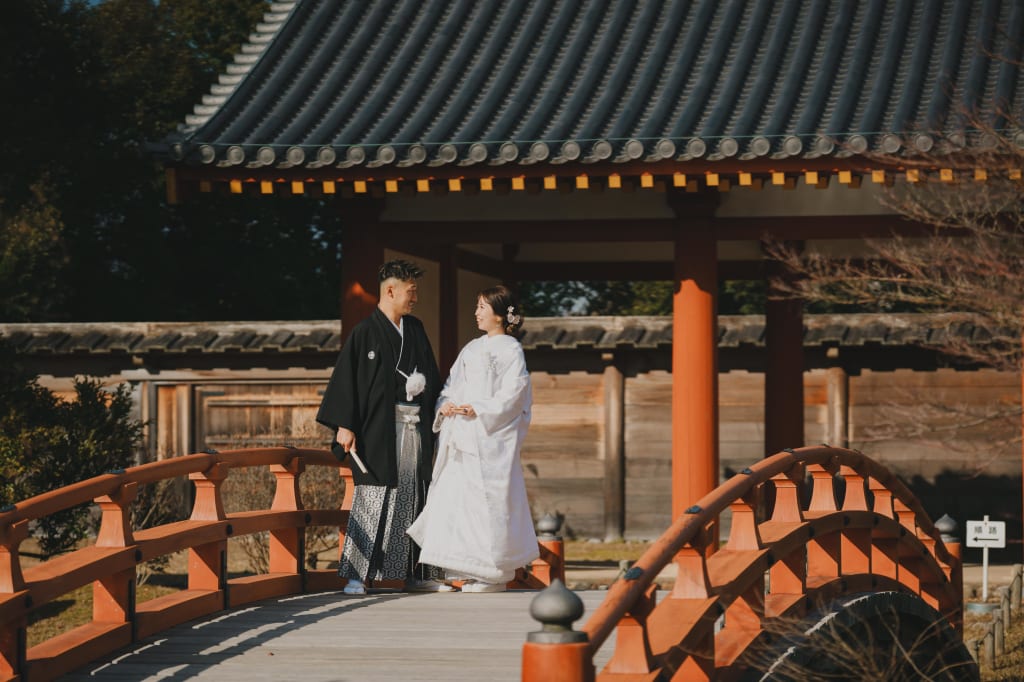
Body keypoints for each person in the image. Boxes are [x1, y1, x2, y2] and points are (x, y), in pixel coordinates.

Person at [317, 259, 451, 594]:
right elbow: (347, 382)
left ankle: (417, 574)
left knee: (415, 497)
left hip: (414, 428)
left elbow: (432, 379)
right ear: (391, 290)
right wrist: (344, 425)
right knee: (373, 498)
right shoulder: (365, 333)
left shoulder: (416, 330)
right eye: (411, 290)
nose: (414, 297)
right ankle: (356, 575)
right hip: (378, 430)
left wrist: (438, 405)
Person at [407, 285, 538, 593]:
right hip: (461, 435)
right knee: (456, 502)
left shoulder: (511, 350)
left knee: (487, 504)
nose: (476, 312)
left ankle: (494, 574)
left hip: (489, 438)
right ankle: (460, 568)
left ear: (499, 313)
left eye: (482, 307)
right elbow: (451, 386)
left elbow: (514, 397)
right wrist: (447, 405)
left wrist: (477, 409)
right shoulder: (471, 349)